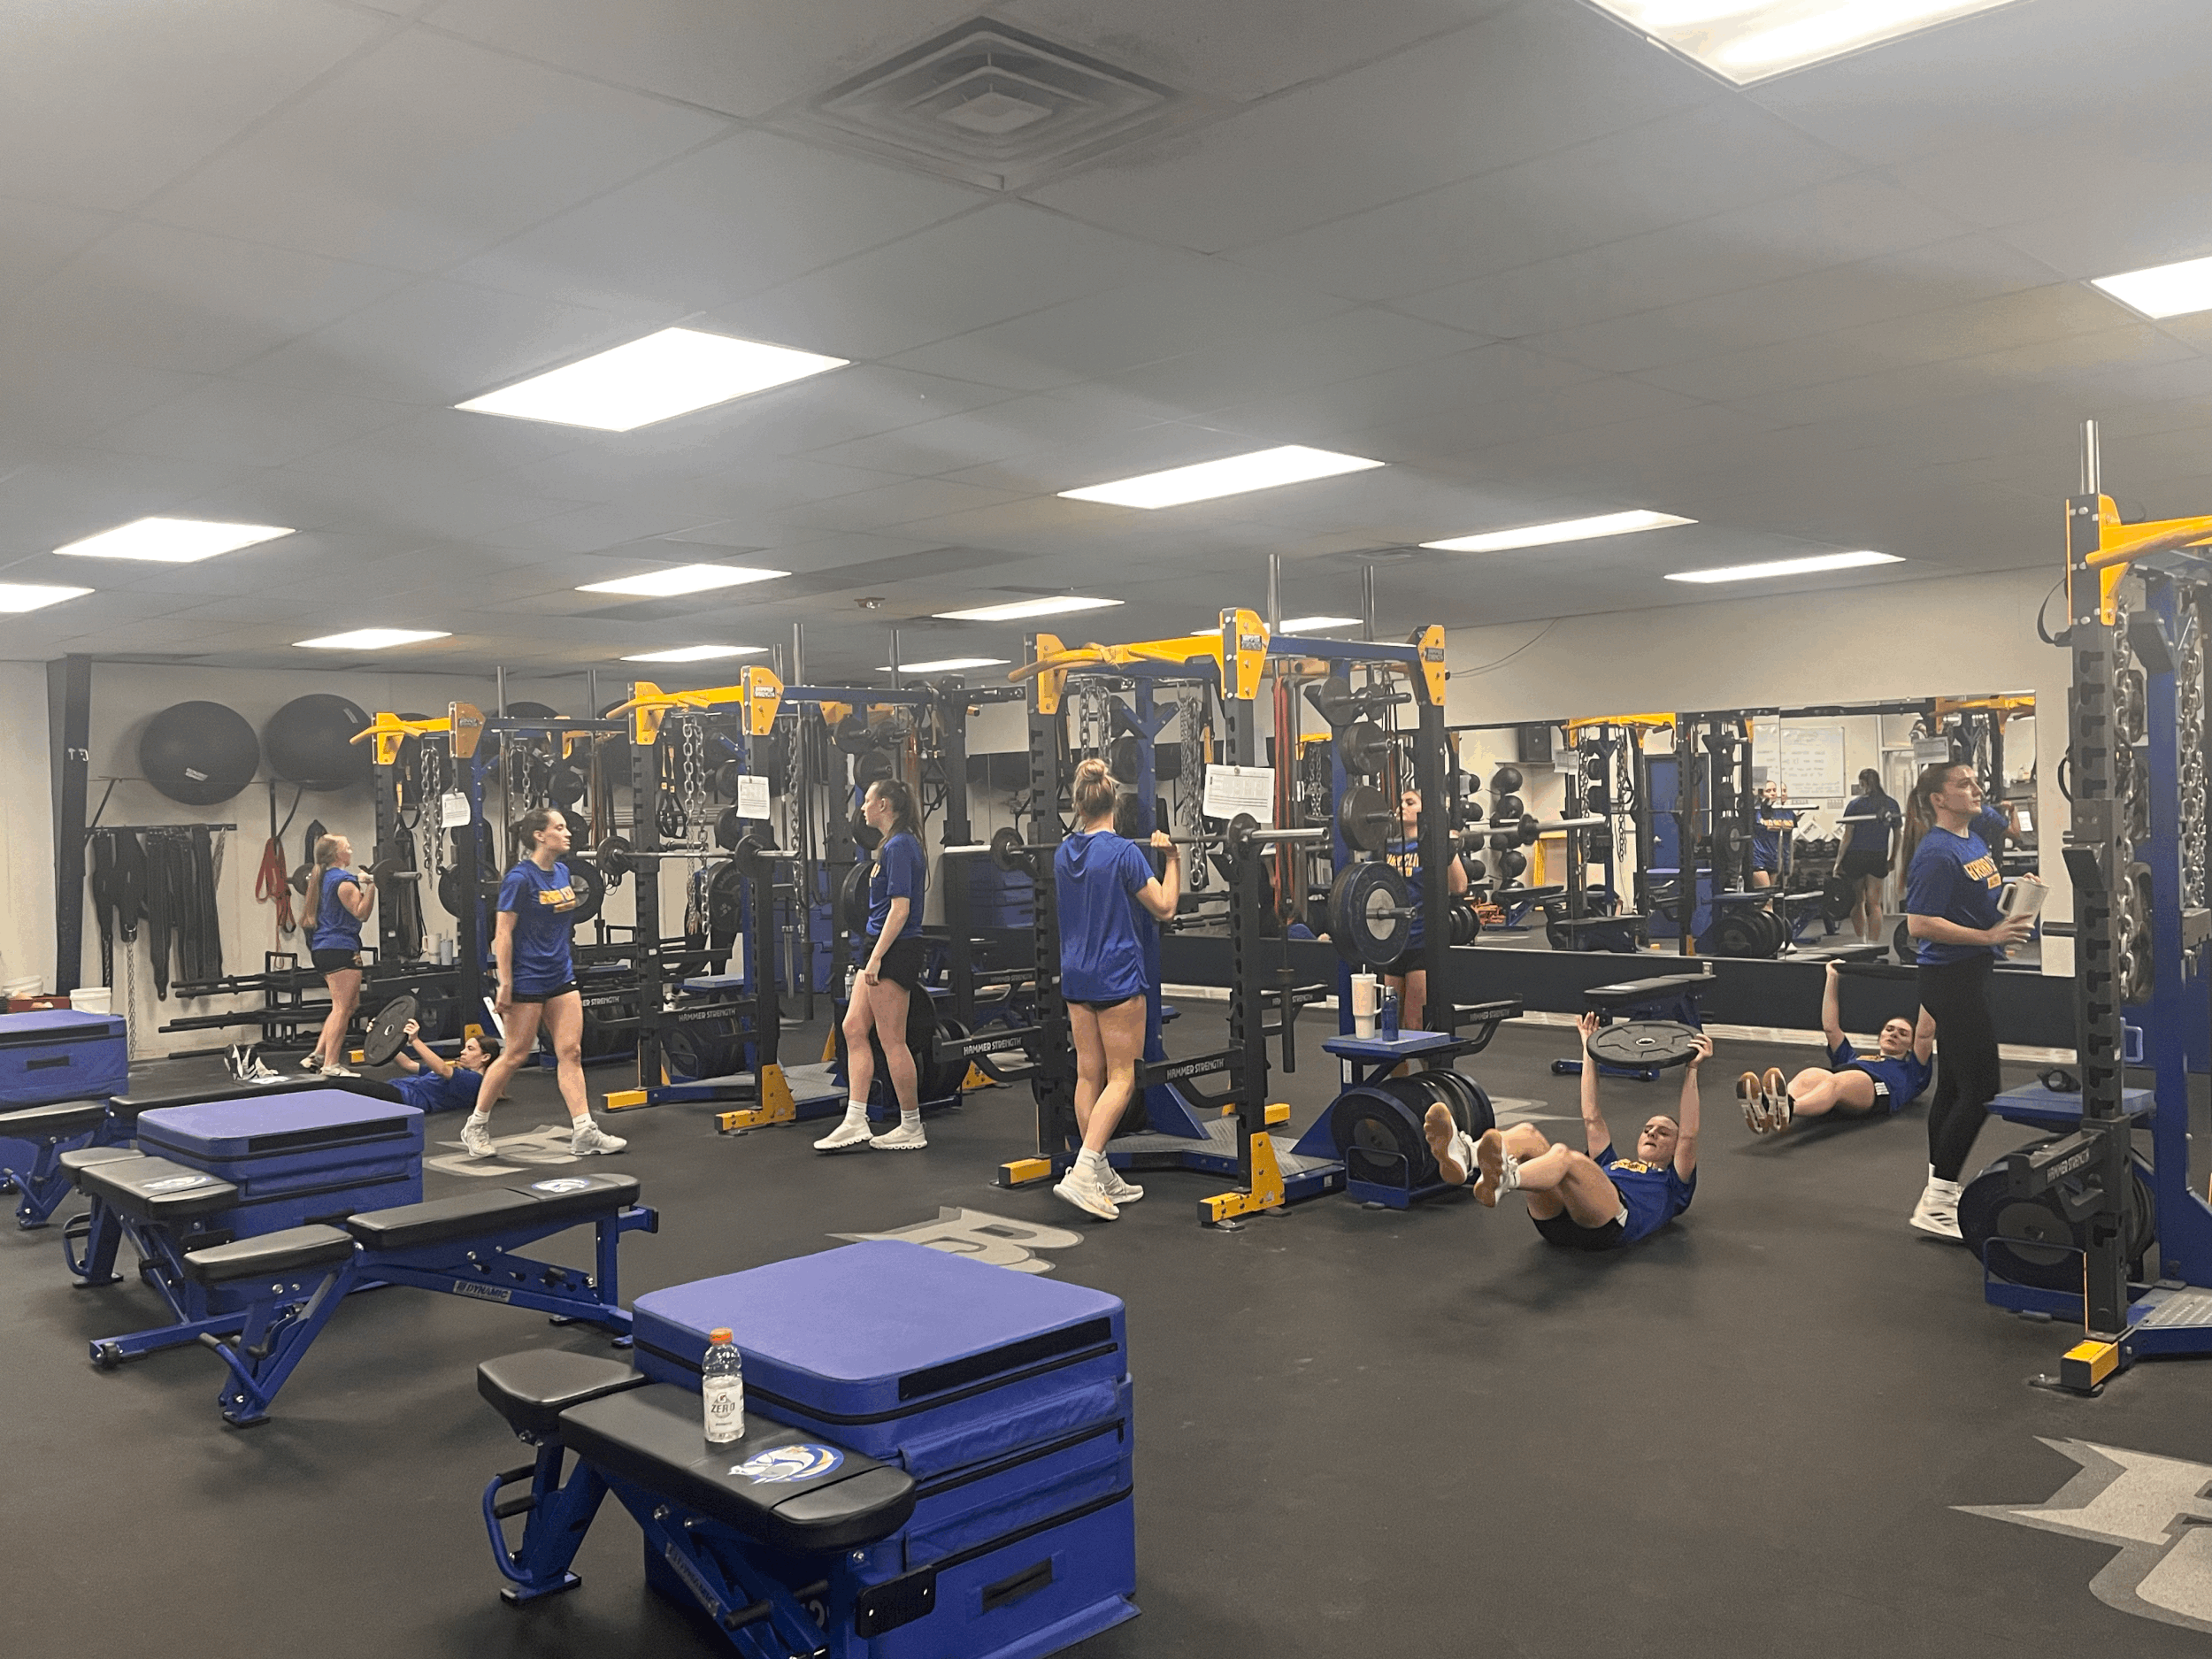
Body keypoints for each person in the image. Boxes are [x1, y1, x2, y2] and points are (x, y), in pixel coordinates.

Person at [1424, 1013, 1709, 1252]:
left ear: (1675, 1149)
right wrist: (1589, 1049)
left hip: (1606, 1226)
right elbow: (1592, 1116)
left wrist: (1692, 1069)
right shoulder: (1610, 1163)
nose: (1652, 1133)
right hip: (1555, 1223)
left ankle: (1506, 1179)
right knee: (1528, 1133)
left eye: (1663, 1133)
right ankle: (1466, 1157)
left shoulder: (1674, 1184)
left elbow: (1689, 1135)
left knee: (1564, 1156)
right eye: (1648, 1129)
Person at [1898, 761, 2034, 1238]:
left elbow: (2005, 828)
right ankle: (1937, 1200)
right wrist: (1988, 935)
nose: (1976, 790)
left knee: (1954, 1087)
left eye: (1976, 782)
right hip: (1950, 979)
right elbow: (1919, 924)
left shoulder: (1973, 836)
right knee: (1982, 1088)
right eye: (1964, 785)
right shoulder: (1936, 853)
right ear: (1938, 798)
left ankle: (1942, 1192)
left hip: (1968, 974)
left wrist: (2020, 898)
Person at [1050, 758, 1182, 1220]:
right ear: (1115, 804)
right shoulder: (1125, 852)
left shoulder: (1063, 853)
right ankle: (1085, 1171)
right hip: (1117, 976)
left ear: (1077, 805)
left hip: (1077, 975)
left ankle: (1100, 1173)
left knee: (1090, 1075)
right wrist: (1172, 858)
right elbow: (1165, 908)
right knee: (1122, 1077)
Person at [463, 808, 626, 1160]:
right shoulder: (520, 879)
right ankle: (475, 1125)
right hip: (526, 978)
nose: (568, 833)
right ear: (540, 835)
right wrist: (504, 982)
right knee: (516, 1054)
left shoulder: (564, 872)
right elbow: (502, 933)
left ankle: (584, 1130)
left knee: (571, 1052)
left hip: (560, 975)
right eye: (560, 827)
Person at [816, 778, 931, 1153]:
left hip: (894, 949)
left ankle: (912, 1125)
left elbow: (901, 909)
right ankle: (855, 1119)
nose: (862, 808)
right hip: (880, 947)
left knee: (892, 1040)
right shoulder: (892, 845)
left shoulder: (900, 846)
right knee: (852, 1028)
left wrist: (878, 956)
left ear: (884, 805)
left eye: (867, 800)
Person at [1740, 960, 1932, 1134]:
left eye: (1903, 1033)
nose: (1894, 1034)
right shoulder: (1855, 1059)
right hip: (1845, 1077)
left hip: (1879, 1091)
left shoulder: (1913, 1072)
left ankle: (1790, 1108)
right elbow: (1831, 1028)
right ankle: (1769, 1107)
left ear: (1910, 1045)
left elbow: (1924, 1034)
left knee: (1837, 1081)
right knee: (1812, 1073)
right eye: (1889, 1029)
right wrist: (1832, 977)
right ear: (1880, 1035)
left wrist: (1933, 985)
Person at [1383, 787, 1470, 1031]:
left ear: (1426, 810)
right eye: (1401, 802)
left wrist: (1445, 847)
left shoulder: (1433, 847)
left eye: (1410, 802)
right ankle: (1398, 1071)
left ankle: (1425, 1070)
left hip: (1422, 941)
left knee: (1415, 1025)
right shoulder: (1388, 847)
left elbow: (1459, 885)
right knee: (1390, 1026)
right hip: (1393, 941)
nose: (1403, 806)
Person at [303, 833, 375, 1079]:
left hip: (324, 949)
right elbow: (361, 913)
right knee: (342, 1008)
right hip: (339, 948)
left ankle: (318, 1055)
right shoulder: (344, 881)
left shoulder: (322, 878)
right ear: (337, 855)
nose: (351, 850)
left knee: (348, 1005)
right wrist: (373, 885)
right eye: (348, 847)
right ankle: (331, 1064)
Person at [1836, 768, 1901, 941]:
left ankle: (1862, 940)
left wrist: (1838, 862)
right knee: (1875, 903)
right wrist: (1893, 858)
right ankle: (1873, 943)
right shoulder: (1891, 804)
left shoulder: (1855, 805)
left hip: (1856, 855)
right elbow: (1898, 835)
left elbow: (1847, 837)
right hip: (1878, 855)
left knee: (1859, 901)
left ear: (1862, 783)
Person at [386, 1018, 499, 1114]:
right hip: (396, 1089)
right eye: (465, 1047)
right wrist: (386, 1040)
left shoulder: (475, 1081)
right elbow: (407, 1064)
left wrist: (415, 1040)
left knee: (368, 1090)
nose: (462, 1052)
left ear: (485, 1057)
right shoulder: (457, 1070)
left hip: (405, 1098)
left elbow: (442, 1070)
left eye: (470, 1049)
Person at [1749, 781, 1799, 890]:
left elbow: (1787, 842)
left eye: (1774, 790)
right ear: (1761, 794)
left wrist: (1786, 867)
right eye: (1768, 791)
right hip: (1758, 858)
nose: (1772, 793)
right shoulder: (1755, 812)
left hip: (1773, 860)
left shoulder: (1784, 813)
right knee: (1766, 898)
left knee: (1769, 899)